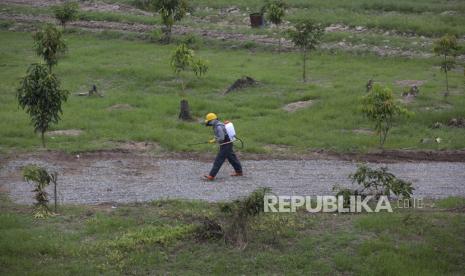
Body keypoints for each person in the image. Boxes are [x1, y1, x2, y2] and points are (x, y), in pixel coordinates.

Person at [203, 113, 243, 181]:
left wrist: (215, 141)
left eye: (209, 122)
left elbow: (221, 138)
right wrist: (214, 139)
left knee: (219, 159)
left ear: (213, 120)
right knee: (232, 158)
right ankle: (239, 172)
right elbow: (219, 136)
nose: (209, 124)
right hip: (227, 144)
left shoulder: (218, 126)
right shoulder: (217, 125)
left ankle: (211, 176)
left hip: (226, 144)